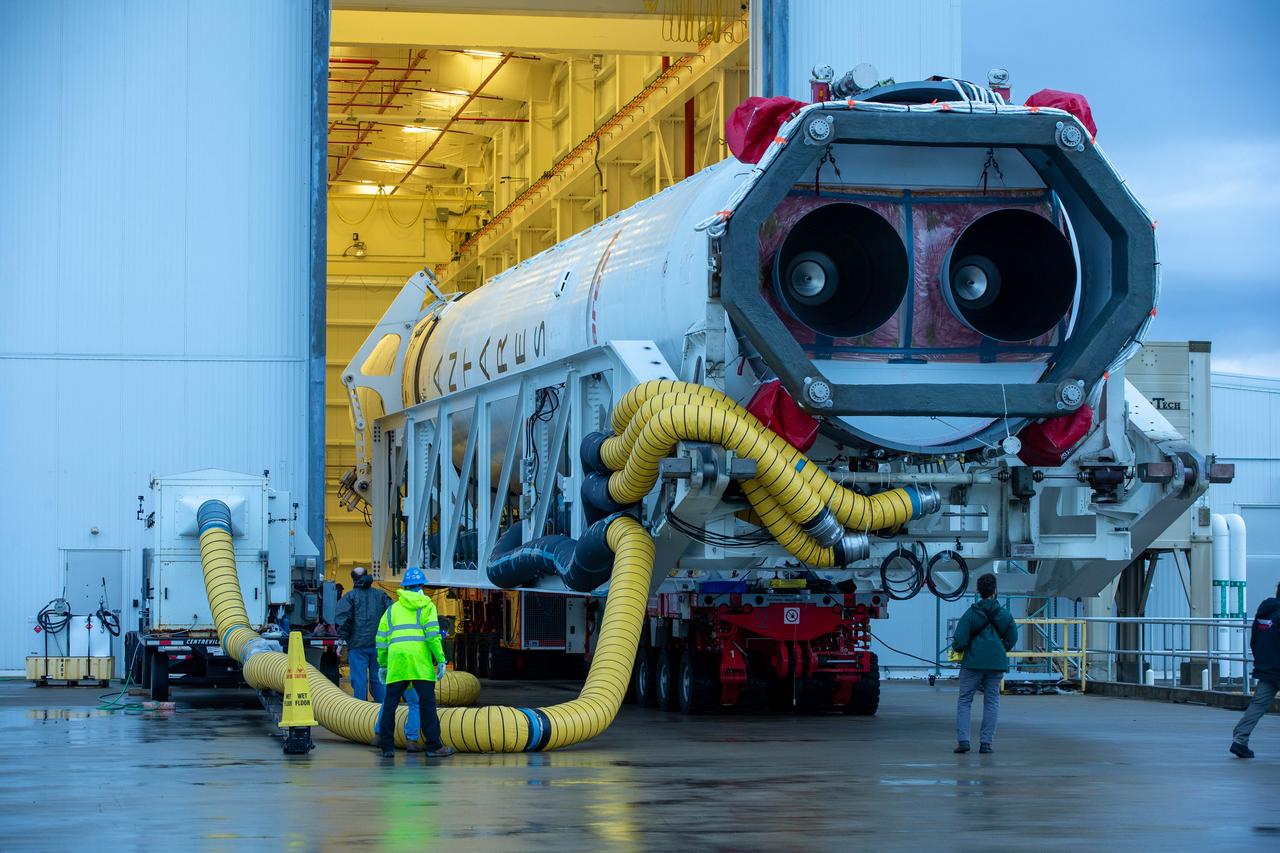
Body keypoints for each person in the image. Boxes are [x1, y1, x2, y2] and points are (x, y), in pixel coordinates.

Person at [376, 567, 455, 759]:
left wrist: (383, 664)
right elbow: (433, 637)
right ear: (421, 586)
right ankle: (434, 747)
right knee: (427, 704)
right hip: (420, 663)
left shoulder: (392, 610)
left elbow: (381, 640)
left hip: (398, 663)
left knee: (390, 704)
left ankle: (386, 747)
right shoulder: (427, 606)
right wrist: (441, 659)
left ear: (404, 587)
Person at [951, 572, 1018, 754]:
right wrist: (999, 649)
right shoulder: (1004, 614)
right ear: (995, 591)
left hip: (972, 663)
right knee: (991, 701)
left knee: (965, 700)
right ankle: (986, 743)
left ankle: (964, 741)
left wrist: (961, 649)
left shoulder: (971, 613)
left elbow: (959, 640)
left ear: (978, 591)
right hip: (995, 664)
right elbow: (1012, 637)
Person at [1230, 581, 1280, 758]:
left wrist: (1261, 661)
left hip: (1267, 667)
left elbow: (1254, 640)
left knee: (1258, 705)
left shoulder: (1265, 613)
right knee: (1258, 704)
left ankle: (1239, 740)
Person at [334, 566, 389, 702]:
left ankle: (361, 715)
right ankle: (381, 711)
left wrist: (340, 642)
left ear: (353, 579)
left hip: (357, 646)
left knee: (359, 681)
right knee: (379, 679)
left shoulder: (349, 597)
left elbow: (343, 620)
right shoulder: (381, 595)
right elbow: (391, 615)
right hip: (379, 645)